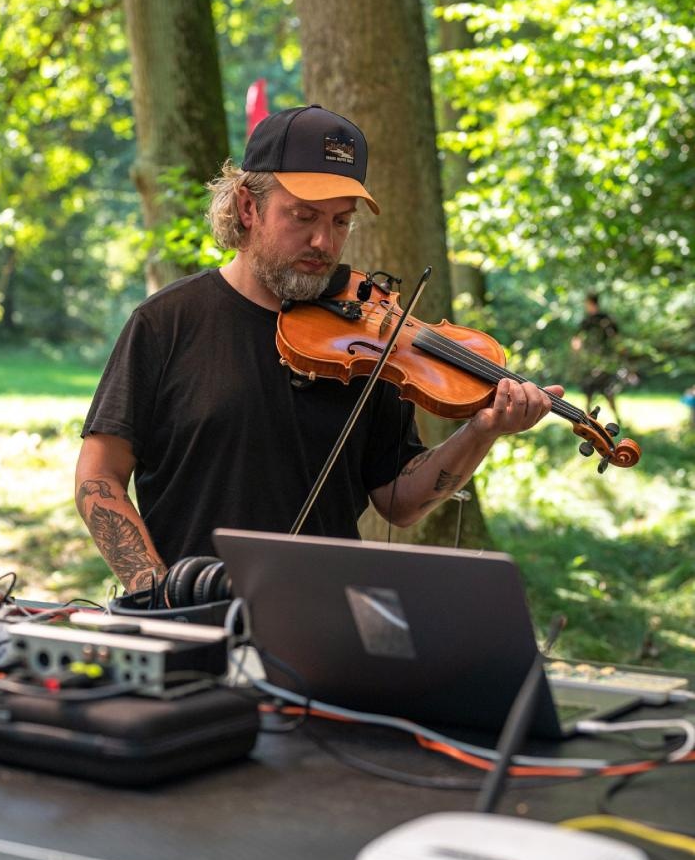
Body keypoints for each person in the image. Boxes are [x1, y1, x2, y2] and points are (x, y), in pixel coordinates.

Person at [76, 104, 562, 594]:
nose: (323, 241)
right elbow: (99, 477)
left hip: (327, 620)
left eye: (341, 221)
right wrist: (158, 591)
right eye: (303, 215)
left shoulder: (374, 341)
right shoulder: (167, 322)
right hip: (193, 618)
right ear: (248, 207)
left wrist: (481, 431)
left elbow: (400, 502)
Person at [570, 293, 622, 422]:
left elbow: (576, 341)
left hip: (598, 362)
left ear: (590, 303)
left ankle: (588, 421)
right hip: (601, 362)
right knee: (597, 392)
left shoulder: (594, 320)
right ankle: (590, 421)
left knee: (598, 392)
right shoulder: (603, 319)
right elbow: (617, 339)